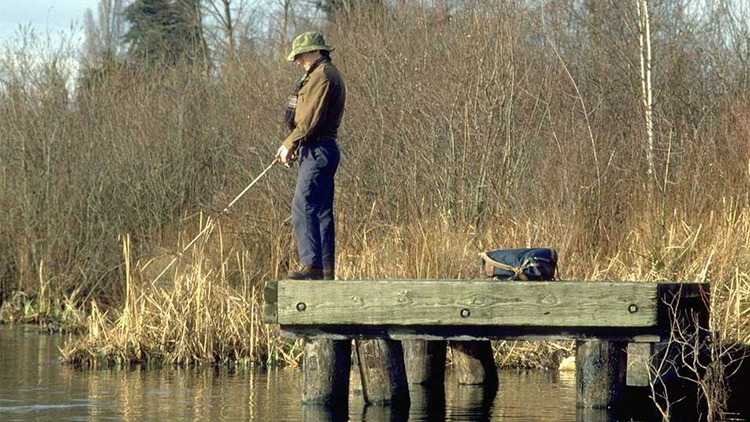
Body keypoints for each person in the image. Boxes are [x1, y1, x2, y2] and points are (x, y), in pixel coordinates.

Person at [276, 32, 346, 280]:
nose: (298, 61)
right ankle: (325, 272)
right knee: (320, 211)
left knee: (303, 204)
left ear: (316, 51)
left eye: (301, 55)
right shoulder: (319, 74)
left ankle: (312, 266)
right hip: (316, 149)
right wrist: (294, 144)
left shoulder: (323, 75)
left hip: (318, 150)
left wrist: (289, 143)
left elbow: (310, 119)